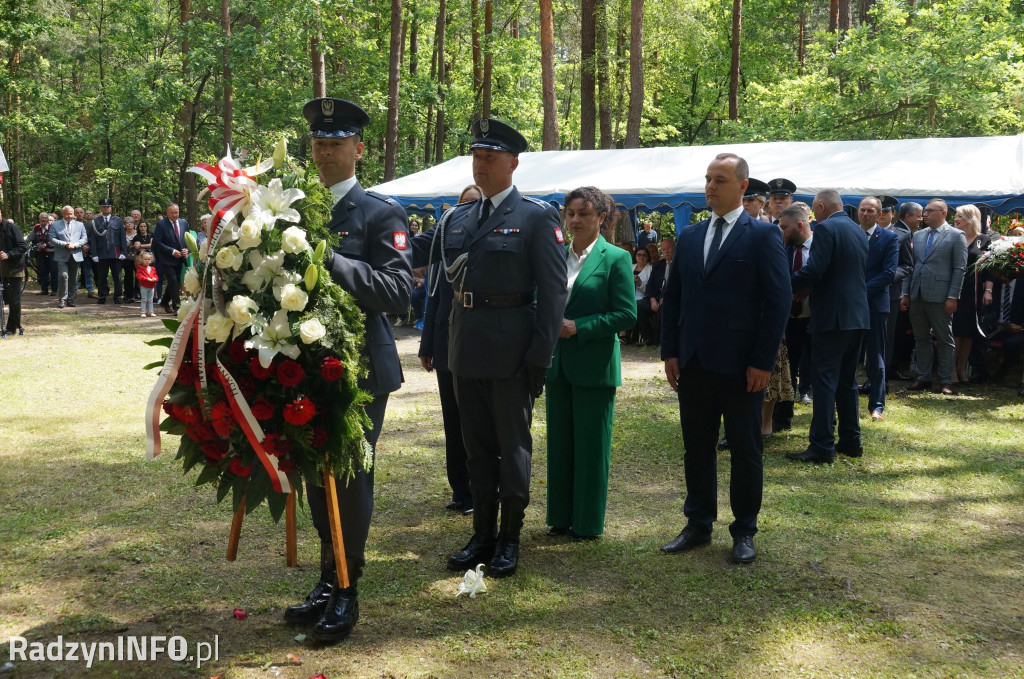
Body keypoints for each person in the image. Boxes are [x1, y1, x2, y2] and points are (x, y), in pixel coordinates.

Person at [411, 118, 567, 578]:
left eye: (490, 158)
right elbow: (432, 274)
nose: (480, 165)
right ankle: (481, 532)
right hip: (466, 347)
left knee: (512, 445)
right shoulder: (456, 218)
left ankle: (509, 538)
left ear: (513, 164)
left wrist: (539, 356)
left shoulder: (536, 217)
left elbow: (553, 293)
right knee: (475, 446)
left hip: (512, 351)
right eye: (476, 157)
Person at [282, 97, 412, 644]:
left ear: (359, 149)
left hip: (358, 370)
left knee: (350, 476)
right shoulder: (289, 209)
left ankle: (347, 587)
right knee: (315, 473)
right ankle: (325, 575)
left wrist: (329, 259)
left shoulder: (380, 213)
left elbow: (398, 291)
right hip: (301, 366)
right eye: (318, 142)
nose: (325, 151)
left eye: (336, 142)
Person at [660, 153, 790, 564]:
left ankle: (744, 529)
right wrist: (671, 351)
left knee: (745, 448)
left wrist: (763, 361)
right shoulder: (691, 236)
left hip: (741, 367)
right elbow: (674, 298)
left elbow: (778, 301)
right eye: (707, 179)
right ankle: (698, 523)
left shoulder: (762, 236)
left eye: (720, 180)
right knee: (696, 446)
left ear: (742, 187)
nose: (710, 186)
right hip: (694, 362)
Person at [546, 187, 636, 541]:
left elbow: (626, 314)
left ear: (602, 217)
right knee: (560, 444)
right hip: (557, 366)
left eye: (584, 213)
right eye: (570, 213)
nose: (575, 220)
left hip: (595, 365)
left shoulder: (615, 258)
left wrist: (579, 327)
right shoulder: (555, 256)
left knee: (591, 446)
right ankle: (559, 518)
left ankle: (586, 523)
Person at [786, 189, 870, 464]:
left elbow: (815, 269)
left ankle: (822, 446)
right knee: (847, 381)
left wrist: (784, 283)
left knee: (823, 381)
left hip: (832, 316)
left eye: (813, 209)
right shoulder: (857, 230)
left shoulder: (825, 229)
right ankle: (851, 440)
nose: (813, 214)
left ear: (821, 207)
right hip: (857, 315)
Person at [418, 184, 481, 516]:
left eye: (475, 205)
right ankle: (459, 489)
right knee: (452, 421)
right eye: (463, 205)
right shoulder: (444, 248)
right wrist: (426, 345)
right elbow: (434, 299)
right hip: (445, 346)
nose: (467, 212)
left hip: (476, 349)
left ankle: (477, 489)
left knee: (474, 423)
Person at [901, 199, 968, 395]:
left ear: (943, 213)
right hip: (917, 294)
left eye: (929, 211)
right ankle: (923, 377)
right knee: (921, 338)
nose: (925, 215)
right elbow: (911, 267)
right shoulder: (919, 235)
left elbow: (959, 269)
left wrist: (953, 296)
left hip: (941, 296)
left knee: (944, 339)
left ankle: (947, 380)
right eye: (924, 211)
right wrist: (906, 293)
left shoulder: (956, 236)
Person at [856, 196, 899, 421]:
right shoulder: (850, 234)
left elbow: (889, 273)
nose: (865, 214)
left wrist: (860, 291)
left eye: (870, 210)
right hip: (850, 305)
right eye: (862, 210)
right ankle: (845, 401)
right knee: (850, 356)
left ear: (879, 213)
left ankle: (877, 406)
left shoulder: (890, 238)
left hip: (874, 304)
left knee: (876, 356)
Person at [951, 204, 992, 384]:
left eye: (960, 216)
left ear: (970, 218)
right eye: (956, 216)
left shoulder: (983, 240)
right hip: (953, 289)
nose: (956, 219)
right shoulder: (952, 236)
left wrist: (988, 290)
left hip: (973, 292)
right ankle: (950, 370)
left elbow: (988, 269)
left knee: (968, 332)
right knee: (955, 331)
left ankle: (962, 369)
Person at [886, 202, 919, 381]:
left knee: (891, 334)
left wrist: (888, 278)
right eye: (918, 215)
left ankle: (888, 368)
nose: (921, 219)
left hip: (892, 291)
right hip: (868, 292)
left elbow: (907, 265)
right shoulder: (861, 231)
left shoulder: (903, 234)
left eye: (886, 211)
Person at [88, 197, 129, 304]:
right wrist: (94, 254)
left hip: (115, 253)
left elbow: (122, 238)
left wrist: (124, 252)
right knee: (101, 278)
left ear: (111, 208)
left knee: (118, 277)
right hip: (101, 254)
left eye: (108, 206)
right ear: (101, 208)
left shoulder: (118, 220)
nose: (106, 208)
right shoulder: (95, 221)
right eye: (104, 206)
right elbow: (93, 239)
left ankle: (118, 296)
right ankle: (102, 296)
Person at [152, 203, 190, 314]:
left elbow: (187, 239)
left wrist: (187, 249)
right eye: (172, 213)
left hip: (180, 258)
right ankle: (176, 306)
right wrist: (172, 251)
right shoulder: (161, 224)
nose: (174, 215)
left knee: (176, 281)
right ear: (167, 213)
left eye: (176, 212)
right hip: (166, 258)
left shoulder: (184, 223)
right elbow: (157, 242)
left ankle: (164, 302)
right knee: (172, 280)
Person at [50, 205, 87, 309]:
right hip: (61, 254)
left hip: (75, 254)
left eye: (71, 213)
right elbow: (52, 238)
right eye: (67, 213)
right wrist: (64, 244)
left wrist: (75, 245)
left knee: (73, 278)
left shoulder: (80, 225)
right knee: (63, 276)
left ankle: (70, 298)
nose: (69, 215)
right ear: (63, 214)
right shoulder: (55, 224)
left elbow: (84, 239)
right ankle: (62, 298)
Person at [0, 208, 29, 335]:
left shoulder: (12, 228)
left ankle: (12, 327)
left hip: (13, 268)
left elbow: (23, 246)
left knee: (14, 300)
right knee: (4, 298)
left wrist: (8, 254)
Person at [31, 212, 57, 296]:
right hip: (41, 254)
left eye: (45, 218)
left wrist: (46, 245)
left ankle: (54, 290)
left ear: (48, 219)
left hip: (52, 253)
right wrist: (19, 240)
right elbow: (29, 237)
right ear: (39, 219)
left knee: (54, 272)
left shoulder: (52, 227)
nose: (44, 219)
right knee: (42, 272)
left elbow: (55, 240)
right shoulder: (36, 228)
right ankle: (44, 290)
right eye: (42, 218)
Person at [75, 207, 97, 298]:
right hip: (75, 251)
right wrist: (80, 246)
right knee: (75, 273)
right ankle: (74, 291)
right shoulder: (72, 225)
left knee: (88, 272)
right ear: (74, 214)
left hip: (86, 253)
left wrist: (88, 246)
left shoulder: (89, 225)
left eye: (81, 212)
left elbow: (92, 238)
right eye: (77, 212)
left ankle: (90, 291)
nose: (79, 214)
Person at [136, 251, 158, 317]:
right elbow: (138, 276)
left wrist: (155, 279)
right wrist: (147, 279)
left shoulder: (153, 268)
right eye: (145, 259)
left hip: (151, 286)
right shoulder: (140, 268)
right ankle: (143, 312)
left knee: (150, 299)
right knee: (144, 299)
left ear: (151, 260)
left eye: (149, 259)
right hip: (144, 286)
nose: (147, 261)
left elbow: (156, 276)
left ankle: (151, 311)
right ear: (142, 260)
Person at [122, 218, 139, 302]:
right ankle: (128, 294)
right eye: (127, 222)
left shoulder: (137, 233)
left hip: (137, 258)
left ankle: (137, 293)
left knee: (138, 275)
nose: (129, 224)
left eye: (131, 222)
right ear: (124, 224)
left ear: (134, 224)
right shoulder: (122, 234)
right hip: (126, 257)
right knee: (128, 276)